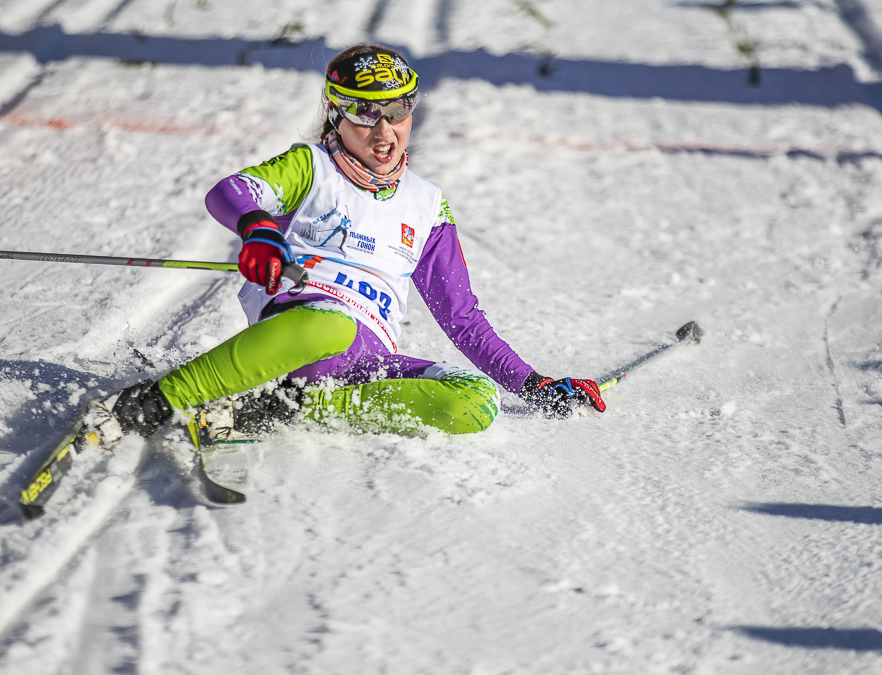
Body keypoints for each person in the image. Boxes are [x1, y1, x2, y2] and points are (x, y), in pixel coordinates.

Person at [84, 44, 605, 448]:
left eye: (397, 110)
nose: (384, 131)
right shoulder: (313, 167)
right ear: (336, 113)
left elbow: (462, 317)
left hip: (364, 366)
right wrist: (258, 229)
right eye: (363, 113)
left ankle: (274, 410)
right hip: (305, 329)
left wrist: (533, 384)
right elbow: (231, 192)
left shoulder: (427, 204)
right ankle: (150, 404)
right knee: (333, 322)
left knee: (474, 401)